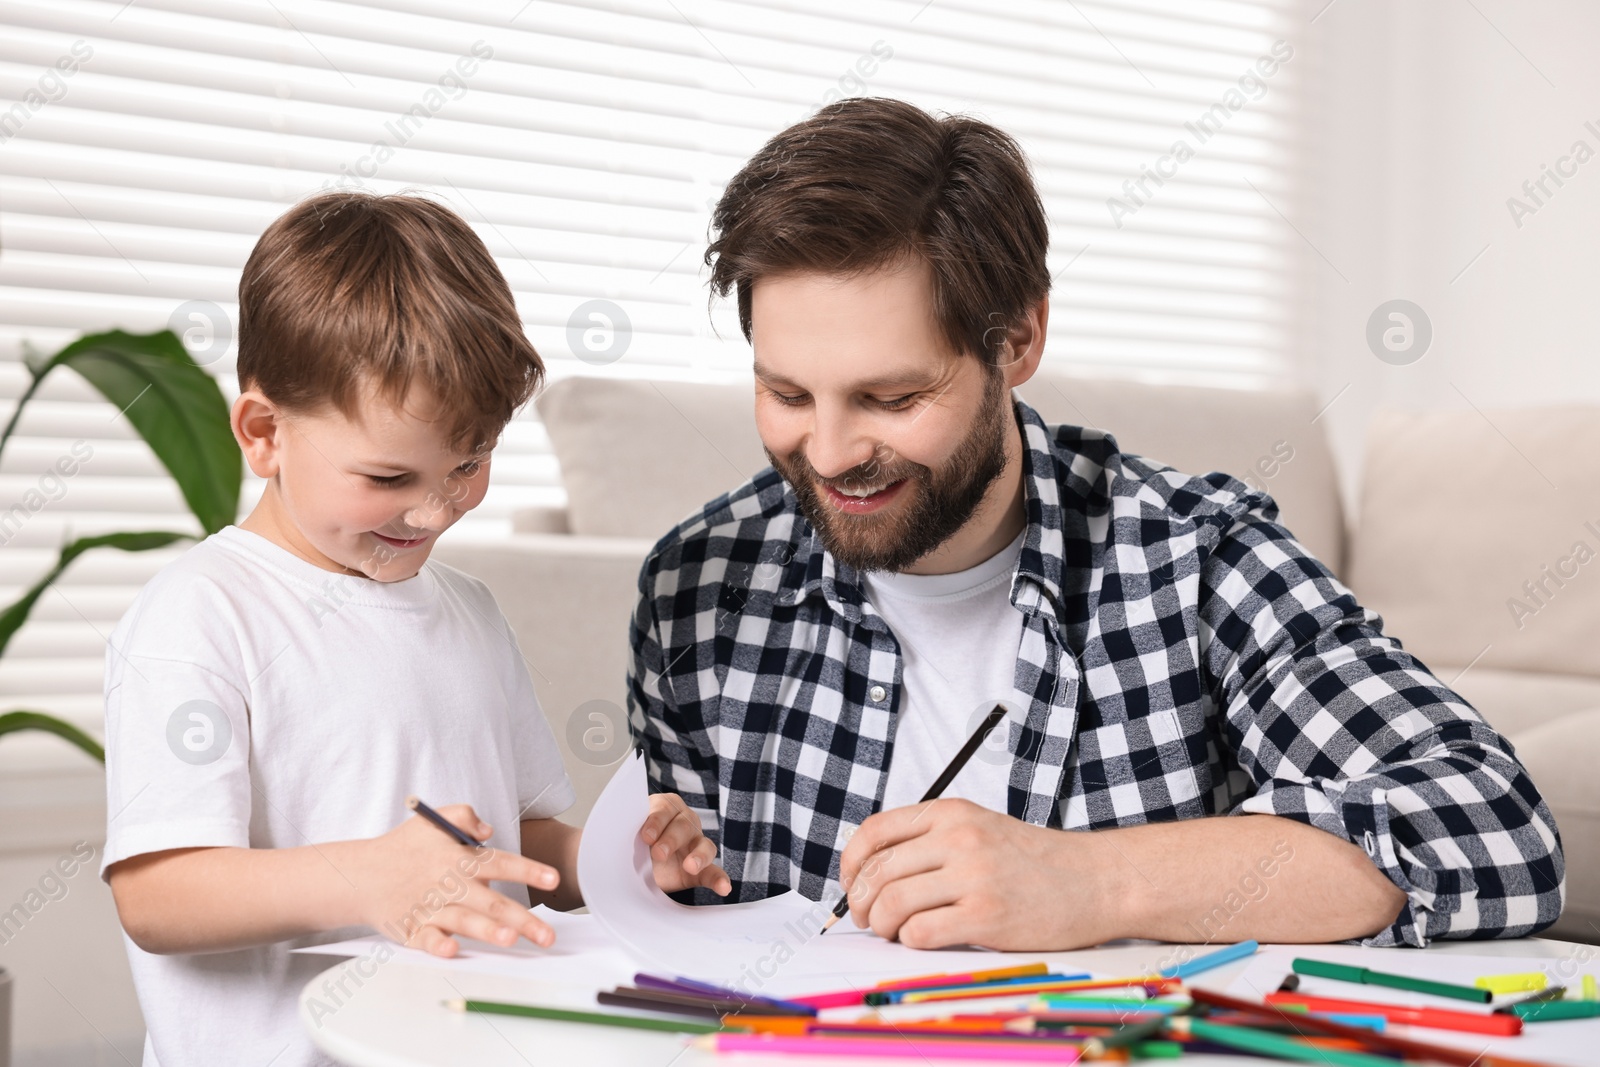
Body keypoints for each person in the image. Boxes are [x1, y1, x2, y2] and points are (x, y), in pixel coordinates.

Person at [627, 97, 1563, 952]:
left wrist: (1090, 881)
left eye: (893, 395)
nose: (828, 454)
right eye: (786, 392)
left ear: (1019, 340)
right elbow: (674, 916)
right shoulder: (697, 591)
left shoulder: (1196, 559)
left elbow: (1494, 826)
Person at [100, 192, 729, 1067]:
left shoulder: (468, 609)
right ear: (265, 432)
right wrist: (367, 877)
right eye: (391, 475)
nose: (435, 510)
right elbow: (158, 894)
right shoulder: (199, 615)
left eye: (469, 464)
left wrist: (618, 865)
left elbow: (515, 840)